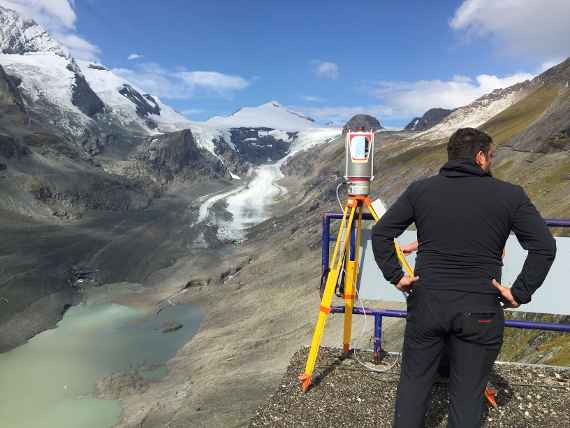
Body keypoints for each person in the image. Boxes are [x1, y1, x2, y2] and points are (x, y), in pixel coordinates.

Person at [371, 128, 556, 428]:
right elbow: (544, 247)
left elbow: (381, 233)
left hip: (427, 303)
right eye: (491, 155)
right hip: (480, 309)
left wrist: (397, 276)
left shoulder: (421, 191)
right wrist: (519, 292)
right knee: (467, 396)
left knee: (414, 386)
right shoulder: (510, 195)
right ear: (480, 156)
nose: (492, 161)